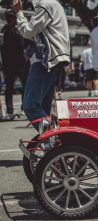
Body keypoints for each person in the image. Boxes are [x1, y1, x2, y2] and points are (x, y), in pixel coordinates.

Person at [13, 0, 70, 130]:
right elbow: (36, 32)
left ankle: (55, 140)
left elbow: (27, 31)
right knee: (42, 107)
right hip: (53, 60)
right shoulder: (52, 4)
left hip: (45, 62)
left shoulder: (45, 5)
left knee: (31, 106)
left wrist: (19, 13)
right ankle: (54, 143)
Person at [0, 9, 29, 115]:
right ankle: (9, 109)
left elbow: (25, 44)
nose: (10, 19)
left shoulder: (20, 29)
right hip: (8, 64)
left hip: (21, 63)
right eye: (8, 17)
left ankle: (24, 108)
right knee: (9, 88)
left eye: (12, 17)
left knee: (25, 86)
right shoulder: (5, 30)